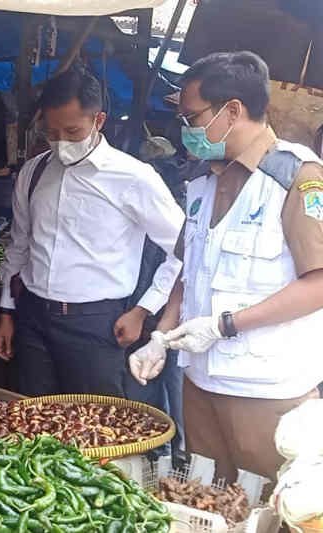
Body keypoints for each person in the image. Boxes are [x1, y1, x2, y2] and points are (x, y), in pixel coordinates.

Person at [128, 51, 323, 482]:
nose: (185, 131)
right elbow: (188, 264)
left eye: (192, 118)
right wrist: (161, 333)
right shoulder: (202, 179)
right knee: (208, 499)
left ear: (232, 110)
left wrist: (225, 325)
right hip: (200, 383)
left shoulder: (297, 178)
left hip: (267, 390)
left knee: (270, 506)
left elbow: (319, 283)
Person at [0, 67, 185, 397]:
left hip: (98, 324)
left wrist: (143, 309)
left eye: (72, 131)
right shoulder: (34, 171)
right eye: (51, 133)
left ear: (98, 121)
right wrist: (8, 311)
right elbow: (19, 245)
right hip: (33, 318)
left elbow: (184, 249)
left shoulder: (133, 178)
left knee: (93, 428)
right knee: (32, 418)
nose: (60, 143)